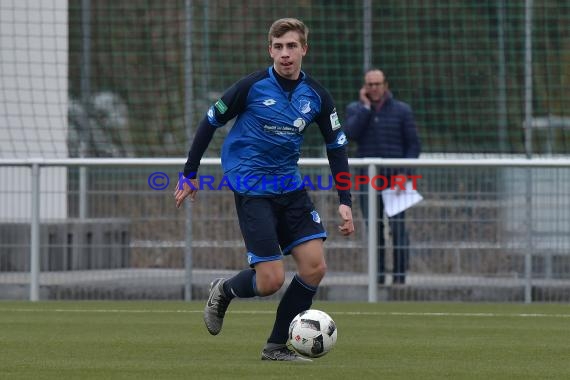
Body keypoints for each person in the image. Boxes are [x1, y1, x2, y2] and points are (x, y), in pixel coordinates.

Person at [174, 18, 354, 362]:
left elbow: (337, 146)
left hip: (290, 186)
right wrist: (189, 174)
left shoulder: (317, 96)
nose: (285, 54)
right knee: (270, 280)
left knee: (315, 267)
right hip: (252, 186)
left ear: (304, 49)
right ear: (270, 49)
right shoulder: (252, 86)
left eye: (291, 46)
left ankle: (275, 347)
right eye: (278, 47)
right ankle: (224, 290)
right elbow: (211, 120)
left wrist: (345, 200)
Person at [344, 69, 420, 285]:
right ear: (365, 87)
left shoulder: (402, 110)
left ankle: (399, 279)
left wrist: (404, 174)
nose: (374, 88)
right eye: (370, 84)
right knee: (373, 230)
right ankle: (376, 280)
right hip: (368, 181)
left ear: (385, 85)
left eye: (377, 84)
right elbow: (349, 134)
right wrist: (365, 109)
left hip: (397, 181)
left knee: (398, 229)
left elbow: (413, 144)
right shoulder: (355, 109)